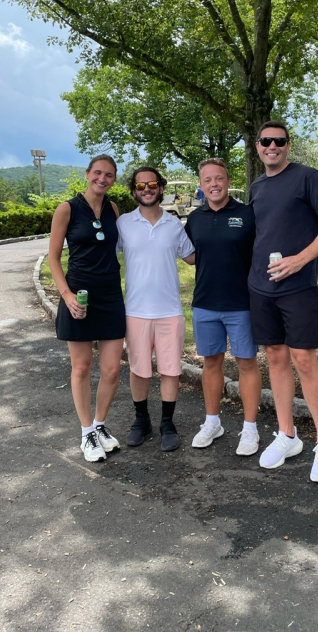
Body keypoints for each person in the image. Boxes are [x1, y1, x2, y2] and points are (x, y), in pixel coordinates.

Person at [248, 121, 318, 481]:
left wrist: (300, 260)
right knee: (275, 356)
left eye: (279, 141)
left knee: (303, 360)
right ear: (257, 145)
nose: (272, 146)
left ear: (288, 145)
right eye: (266, 141)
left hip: (299, 286)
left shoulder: (307, 177)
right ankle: (287, 435)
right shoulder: (256, 186)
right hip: (261, 287)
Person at [49, 154, 125, 464]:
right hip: (78, 296)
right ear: (87, 174)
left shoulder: (113, 209)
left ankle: (100, 425)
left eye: (109, 175)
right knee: (81, 367)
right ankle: (86, 433)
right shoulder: (67, 209)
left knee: (112, 369)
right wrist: (66, 295)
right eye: (98, 172)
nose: (102, 179)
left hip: (110, 295)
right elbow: (54, 258)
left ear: (114, 179)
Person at [185, 158, 262, 455]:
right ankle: (212, 423)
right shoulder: (195, 219)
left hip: (241, 303)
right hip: (204, 303)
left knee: (246, 363)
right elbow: (188, 255)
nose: (214, 184)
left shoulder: (247, 215)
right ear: (201, 186)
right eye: (207, 180)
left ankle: (251, 429)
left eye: (219, 178)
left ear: (228, 181)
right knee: (211, 362)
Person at [117, 167, 195, 451]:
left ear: (161, 188)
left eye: (152, 184)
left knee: (170, 370)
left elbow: (193, 258)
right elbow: (102, 255)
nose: (146, 189)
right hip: (135, 311)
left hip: (169, 311)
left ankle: (167, 423)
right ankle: (141, 421)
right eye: (140, 186)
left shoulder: (174, 225)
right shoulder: (123, 223)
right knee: (138, 369)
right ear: (133, 191)